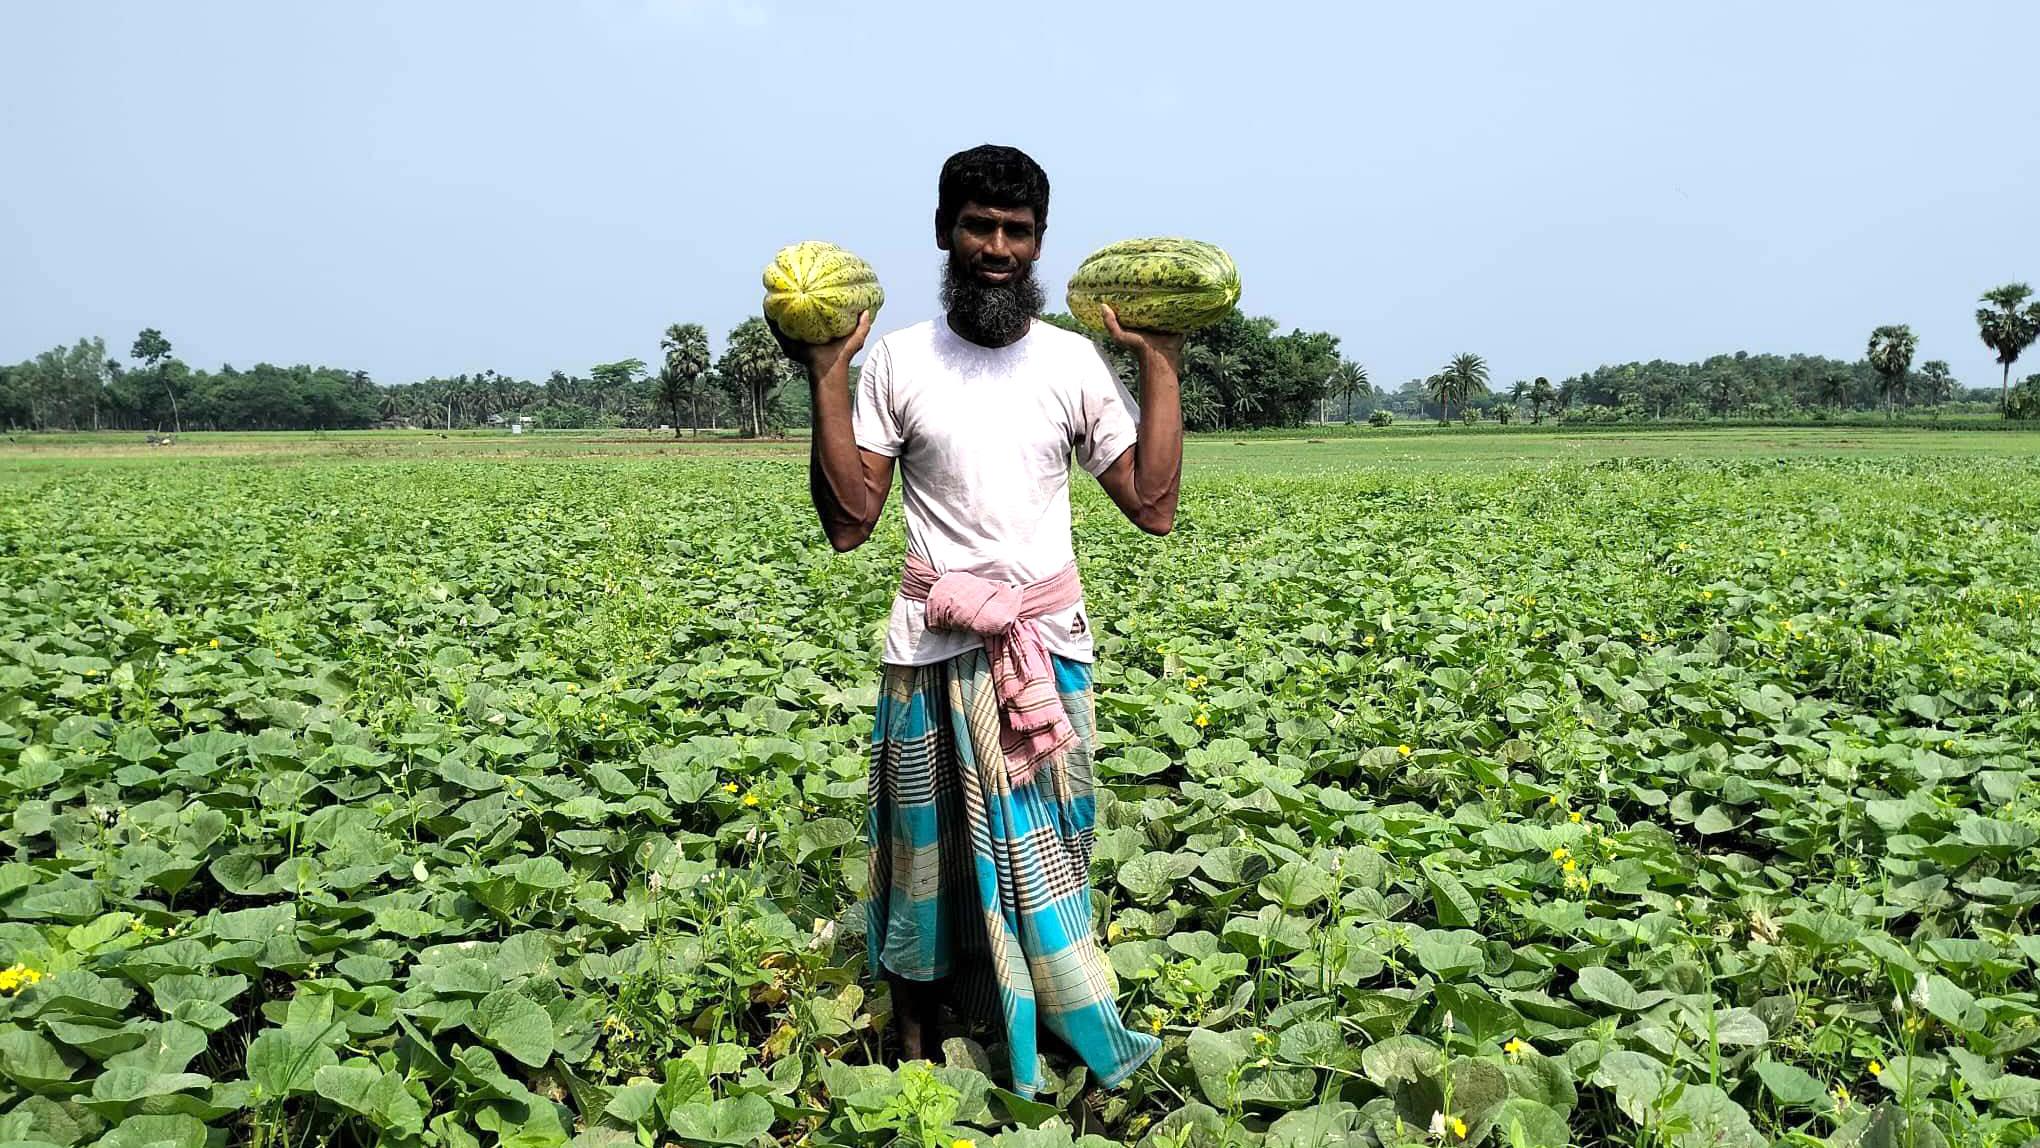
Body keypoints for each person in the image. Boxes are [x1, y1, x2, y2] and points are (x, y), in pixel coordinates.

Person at [773, 144, 1183, 1096]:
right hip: (931, 648)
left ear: (1040, 242)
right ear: (945, 234)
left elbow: (1153, 504)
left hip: (1043, 655)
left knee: (1054, 849)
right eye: (980, 227)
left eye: (1018, 232)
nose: (998, 248)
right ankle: (917, 1045)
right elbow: (848, 523)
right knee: (923, 860)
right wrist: (826, 374)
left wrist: (1160, 362)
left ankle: (1049, 1030)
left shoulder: (1073, 363)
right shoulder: (900, 361)